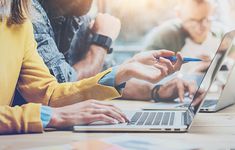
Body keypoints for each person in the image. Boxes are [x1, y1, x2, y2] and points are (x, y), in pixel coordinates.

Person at [0, 0, 183, 134]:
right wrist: (49, 116)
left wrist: (123, 71)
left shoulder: (18, 20)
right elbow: (50, 106)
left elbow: (49, 94)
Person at [145, 0, 223, 59]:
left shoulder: (219, 32)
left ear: (213, 12)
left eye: (206, 19)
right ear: (178, 14)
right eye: (192, 20)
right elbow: (142, 73)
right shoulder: (166, 36)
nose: (199, 28)